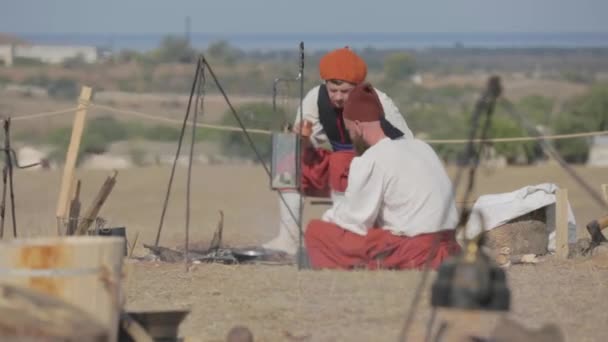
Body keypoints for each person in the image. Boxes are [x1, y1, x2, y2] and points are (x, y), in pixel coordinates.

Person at [263, 47, 414, 255]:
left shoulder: (380, 102)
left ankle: (347, 234)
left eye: (345, 91)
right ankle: (288, 239)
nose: (338, 97)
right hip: (334, 170)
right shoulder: (315, 98)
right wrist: (302, 139)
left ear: (358, 86)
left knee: (341, 160)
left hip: (376, 170)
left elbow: (406, 146)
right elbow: (304, 144)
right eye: (333, 90)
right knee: (286, 154)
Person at [304, 82, 461, 270]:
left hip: (416, 251)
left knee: (317, 231)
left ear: (357, 125)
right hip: (451, 247)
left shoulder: (372, 158)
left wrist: (329, 217)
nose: (351, 136)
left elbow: (355, 221)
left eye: (350, 131)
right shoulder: (422, 146)